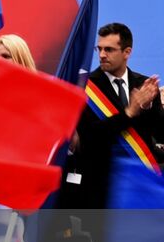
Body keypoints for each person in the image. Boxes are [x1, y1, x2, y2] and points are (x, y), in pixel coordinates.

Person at [65, 22, 163, 209]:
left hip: (141, 184)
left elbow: (158, 132)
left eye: (109, 49)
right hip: (101, 186)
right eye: (99, 49)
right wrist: (129, 113)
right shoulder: (85, 86)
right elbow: (89, 136)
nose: (102, 55)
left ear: (127, 52)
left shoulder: (144, 84)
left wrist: (149, 105)